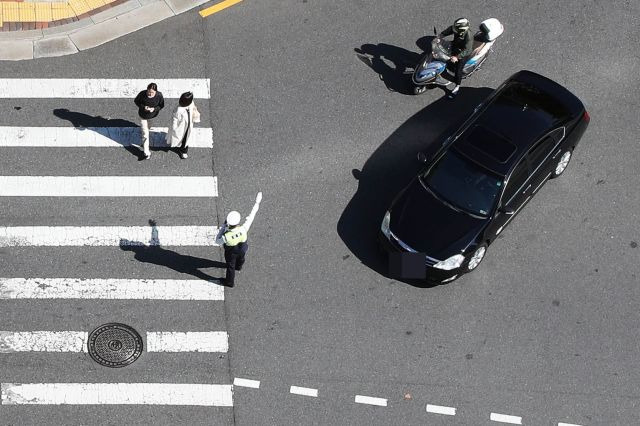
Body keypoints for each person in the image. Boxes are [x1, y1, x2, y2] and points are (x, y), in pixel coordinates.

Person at [217, 192, 263, 287]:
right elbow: (252, 216)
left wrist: (222, 227)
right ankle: (239, 267)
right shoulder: (244, 228)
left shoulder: (227, 236)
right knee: (241, 258)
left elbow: (217, 241)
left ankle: (229, 282)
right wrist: (257, 203)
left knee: (230, 266)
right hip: (242, 249)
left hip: (231, 252)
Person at [438, 18, 473, 98]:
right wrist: (440, 36)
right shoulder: (456, 28)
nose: (454, 30)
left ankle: (457, 86)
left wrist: (457, 57)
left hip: (462, 53)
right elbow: (449, 30)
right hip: (455, 46)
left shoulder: (469, 36)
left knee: (458, 70)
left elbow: (468, 50)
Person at [166, 91, 201, 159]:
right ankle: (182, 150)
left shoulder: (191, 104)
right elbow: (175, 119)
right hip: (181, 127)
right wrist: (174, 129)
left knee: (186, 139)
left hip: (188, 126)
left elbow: (194, 109)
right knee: (181, 138)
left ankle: (184, 151)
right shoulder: (178, 110)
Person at [134, 83, 164, 159]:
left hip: (152, 116)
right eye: (148, 92)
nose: (150, 94)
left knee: (148, 128)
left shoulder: (159, 95)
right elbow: (136, 101)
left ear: (155, 92)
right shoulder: (142, 94)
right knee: (145, 134)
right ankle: (146, 152)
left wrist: (154, 109)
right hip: (142, 116)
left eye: (152, 92)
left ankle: (145, 133)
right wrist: (144, 107)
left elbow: (161, 105)